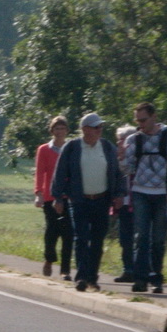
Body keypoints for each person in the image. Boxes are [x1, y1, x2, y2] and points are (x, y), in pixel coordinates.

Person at [50, 112, 126, 292]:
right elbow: (60, 173)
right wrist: (58, 198)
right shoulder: (73, 147)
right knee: (82, 238)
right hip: (80, 200)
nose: (100, 130)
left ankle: (93, 277)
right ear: (85, 129)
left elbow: (118, 172)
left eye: (101, 127)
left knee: (98, 240)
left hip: (102, 200)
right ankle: (82, 277)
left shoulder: (107, 147)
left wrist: (119, 194)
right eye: (96, 127)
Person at [122, 102, 167, 293]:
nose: (140, 124)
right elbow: (126, 169)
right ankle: (140, 278)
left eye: (143, 120)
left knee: (158, 239)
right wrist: (121, 156)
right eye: (138, 121)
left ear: (154, 116)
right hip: (141, 192)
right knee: (141, 236)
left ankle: (156, 278)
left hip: (163, 194)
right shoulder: (135, 140)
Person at [33, 115, 73, 279]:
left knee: (68, 234)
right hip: (49, 196)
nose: (60, 131)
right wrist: (39, 194)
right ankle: (49, 259)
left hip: (68, 197)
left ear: (67, 130)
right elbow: (40, 172)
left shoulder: (71, 148)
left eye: (63, 128)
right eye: (57, 128)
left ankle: (65, 270)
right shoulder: (44, 149)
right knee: (52, 231)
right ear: (52, 131)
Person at [112, 123, 138, 282]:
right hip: (123, 202)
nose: (118, 143)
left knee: (140, 238)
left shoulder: (137, 155)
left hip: (138, 201)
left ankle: (142, 270)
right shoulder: (117, 158)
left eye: (121, 140)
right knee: (125, 238)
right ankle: (128, 269)